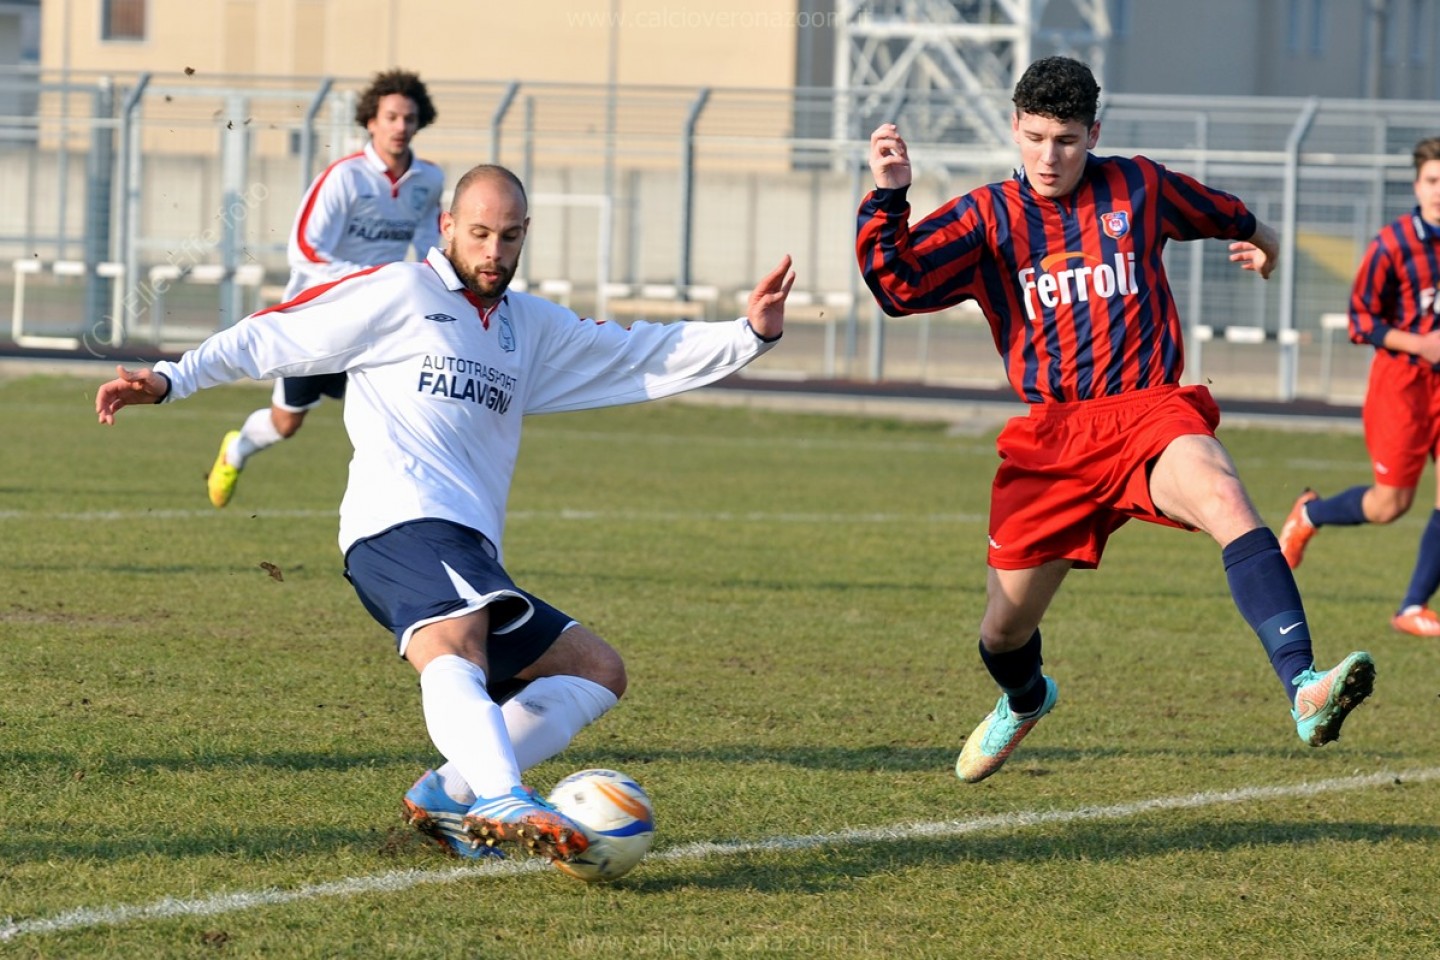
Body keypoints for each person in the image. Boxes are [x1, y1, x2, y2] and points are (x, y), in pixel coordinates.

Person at [97, 163, 796, 860]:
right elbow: (276, 332)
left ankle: (449, 794)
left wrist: (748, 335)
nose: (495, 251)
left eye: (511, 236)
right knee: (455, 639)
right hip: (395, 522)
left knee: (595, 670)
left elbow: (637, 352)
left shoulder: (530, 328)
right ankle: (499, 796)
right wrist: (172, 378)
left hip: (468, 548)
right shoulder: (400, 291)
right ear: (447, 227)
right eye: (482, 233)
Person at [855, 56, 1375, 784]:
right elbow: (898, 287)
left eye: (1066, 139)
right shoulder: (986, 217)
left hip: (1148, 413)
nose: (1048, 156)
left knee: (1226, 498)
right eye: (1034, 136)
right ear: (1014, 127)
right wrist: (888, 198)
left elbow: (1233, 214)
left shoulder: (1140, 185)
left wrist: (1270, 247)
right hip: (1053, 440)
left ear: (1093, 133)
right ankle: (1027, 698)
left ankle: (1304, 687)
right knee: (1003, 633)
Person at [206, 69, 445, 509]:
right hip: (319, 317)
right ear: (370, 121)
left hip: (382, 324)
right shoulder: (344, 178)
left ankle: (403, 511)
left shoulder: (429, 180)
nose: (400, 127)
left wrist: (442, 283)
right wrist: (371, 280)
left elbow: (431, 245)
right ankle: (236, 448)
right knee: (285, 423)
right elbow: (306, 252)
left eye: (408, 118)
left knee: (395, 414)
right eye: (390, 117)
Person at [1278, 137, 1440, 637]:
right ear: (1417, 184)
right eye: (1434, 181)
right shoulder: (1392, 245)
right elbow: (1359, 320)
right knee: (1390, 505)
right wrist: (1420, 344)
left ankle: (1412, 606)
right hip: (1403, 384)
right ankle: (1312, 512)